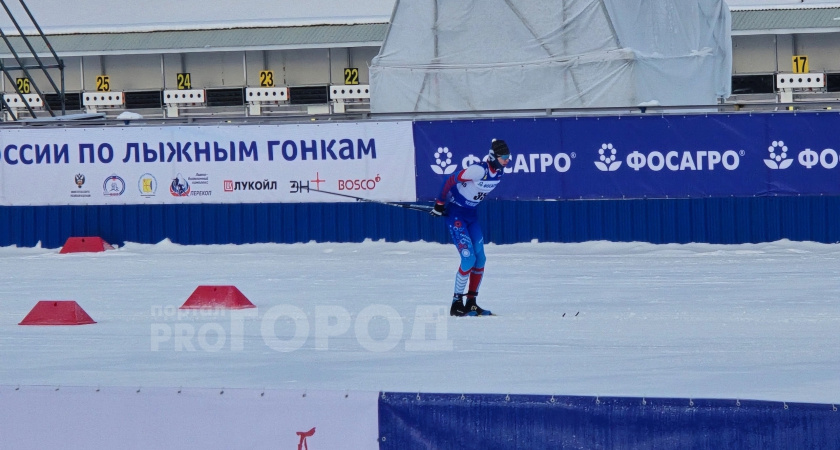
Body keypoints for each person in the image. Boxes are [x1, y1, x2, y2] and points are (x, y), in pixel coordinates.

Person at [431, 139, 511, 316]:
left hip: (471, 215)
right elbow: (448, 180)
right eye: (504, 157)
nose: (507, 160)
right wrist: (439, 204)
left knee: (480, 259)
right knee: (468, 259)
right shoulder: (478, 170)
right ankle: (456, 303)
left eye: (508, 157)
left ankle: (471, 303)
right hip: (456, 214)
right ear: (493, 156)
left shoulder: (498, 173)